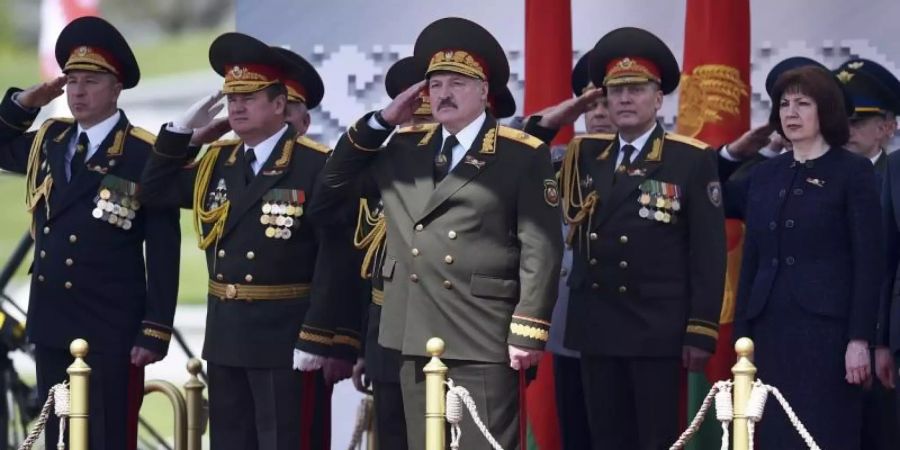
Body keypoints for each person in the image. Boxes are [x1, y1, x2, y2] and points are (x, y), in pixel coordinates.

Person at [322, 17, 563, 450]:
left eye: (457, 83)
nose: (444, 94)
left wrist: (528, 329)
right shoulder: (399, 149)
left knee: (480, 444)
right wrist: (381, 120)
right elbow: (331, 187)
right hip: (412, 332)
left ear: (484, 92)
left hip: (481, 333)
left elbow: (540, 245)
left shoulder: (520, 154)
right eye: (435, 85)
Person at [140, 32, 357, 450]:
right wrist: (183, 133)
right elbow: (153, 190)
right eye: (231, 98)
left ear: (279, 105)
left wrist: (317, 336)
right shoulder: (218, 161)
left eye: (249, 97)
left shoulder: (315, 164)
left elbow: (335, 258)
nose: (236, 107)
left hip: (285, 336)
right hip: (228, 335)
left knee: (283, 441)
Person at [0, 16, 180, 450]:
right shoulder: (51, 140)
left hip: (110, 326)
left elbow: (163, 246)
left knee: (106, 435)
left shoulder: (143, 152)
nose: (78, 92)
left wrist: (155, 328)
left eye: (91, 81)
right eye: (72, 81)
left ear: (116, 87)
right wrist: (26, 101)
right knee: (58, 438)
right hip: (52, 319)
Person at [558, 27, 726, 450]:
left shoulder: (689, 159)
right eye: (615, 91)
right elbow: (523, 158)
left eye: (636, 89)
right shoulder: (584, 156)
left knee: (654, 440)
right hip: (597, 325)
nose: (625, 99)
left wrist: (700, 330)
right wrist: (559, 114)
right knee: (605, 440)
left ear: (658, 98)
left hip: (656, 330)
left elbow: (708, 253)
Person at [734, 64, 883, 450]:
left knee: (822, 433)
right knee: (772, 434)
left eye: (803, 103)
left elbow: (869, 262)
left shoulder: (853, 172)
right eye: (784, 104)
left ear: (827, 111)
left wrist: (859, 338)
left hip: (827, 334)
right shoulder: (766, 174)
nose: (791, 112)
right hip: (769, 328)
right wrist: (742, 337)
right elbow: (752, 258)